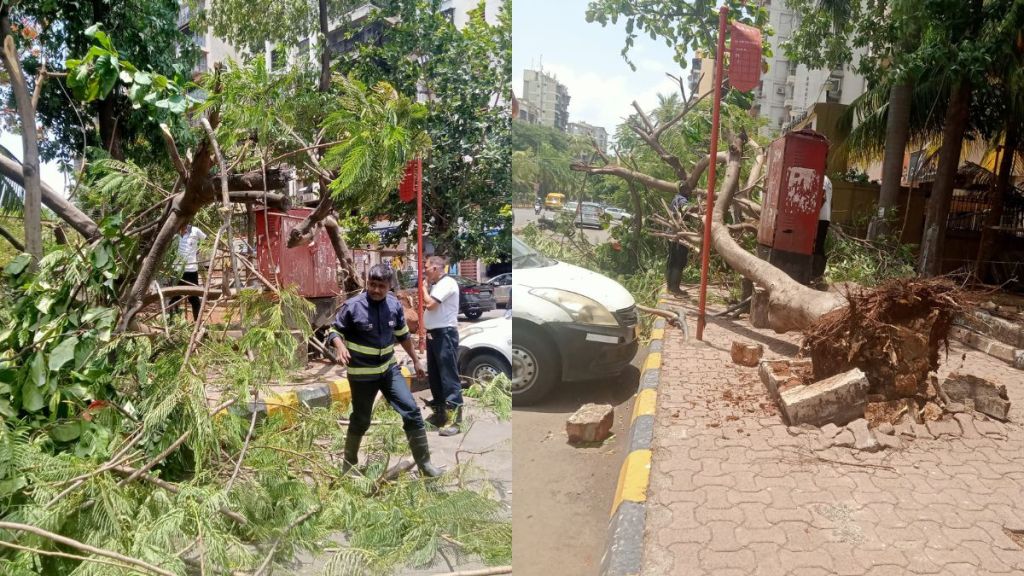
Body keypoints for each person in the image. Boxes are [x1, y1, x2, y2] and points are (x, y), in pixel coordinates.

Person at [327, 264, 441, 477]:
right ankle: (348, 464)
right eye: (372, 284)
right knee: (361, 419)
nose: (376, 290)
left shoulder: (394, 305)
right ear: (367, 282)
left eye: (381, 286)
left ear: (390, 286)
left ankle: (425, 464)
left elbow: (403, 335)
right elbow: (333, 330)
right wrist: (340, 346)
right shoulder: (353, 306)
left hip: (389, 371)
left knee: (412, 411)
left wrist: (416, 361)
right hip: (362, 374)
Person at [420, 255, 463, 436]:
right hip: (434, 335)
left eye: (427, 268)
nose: (425, 271)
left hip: (444, 335)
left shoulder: (447, 283)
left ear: (436, 268)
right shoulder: (437, 285)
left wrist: (423, 289)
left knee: (448, 377)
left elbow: (430, 305)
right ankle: (439, 414)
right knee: (436, 377)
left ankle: (455, 420)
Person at [170, 223, 207, 321]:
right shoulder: (173, 232)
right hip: (177, 271)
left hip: (191, 270)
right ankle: (172, 322)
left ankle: (197, 323)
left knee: (194, 299)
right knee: (174, 298)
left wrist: (199, 249)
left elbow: (207, 241)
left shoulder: (195, 231)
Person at [665, 190, 690, 296]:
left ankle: (670, 286)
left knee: (672, 260)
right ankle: (675, 288)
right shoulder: (682, 199)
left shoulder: (675, 198)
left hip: (672, 235)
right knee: (679, 262)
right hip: (679, 237)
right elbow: (686, 208)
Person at [812, 175, 833, 282]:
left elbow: (823, 197)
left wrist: (814, 214)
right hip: (826, 216)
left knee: (817, 245)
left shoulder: (823, 178)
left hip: (820, 217)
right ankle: (818, 273)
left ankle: (816, 273)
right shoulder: (829, 180)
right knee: (819, 244)